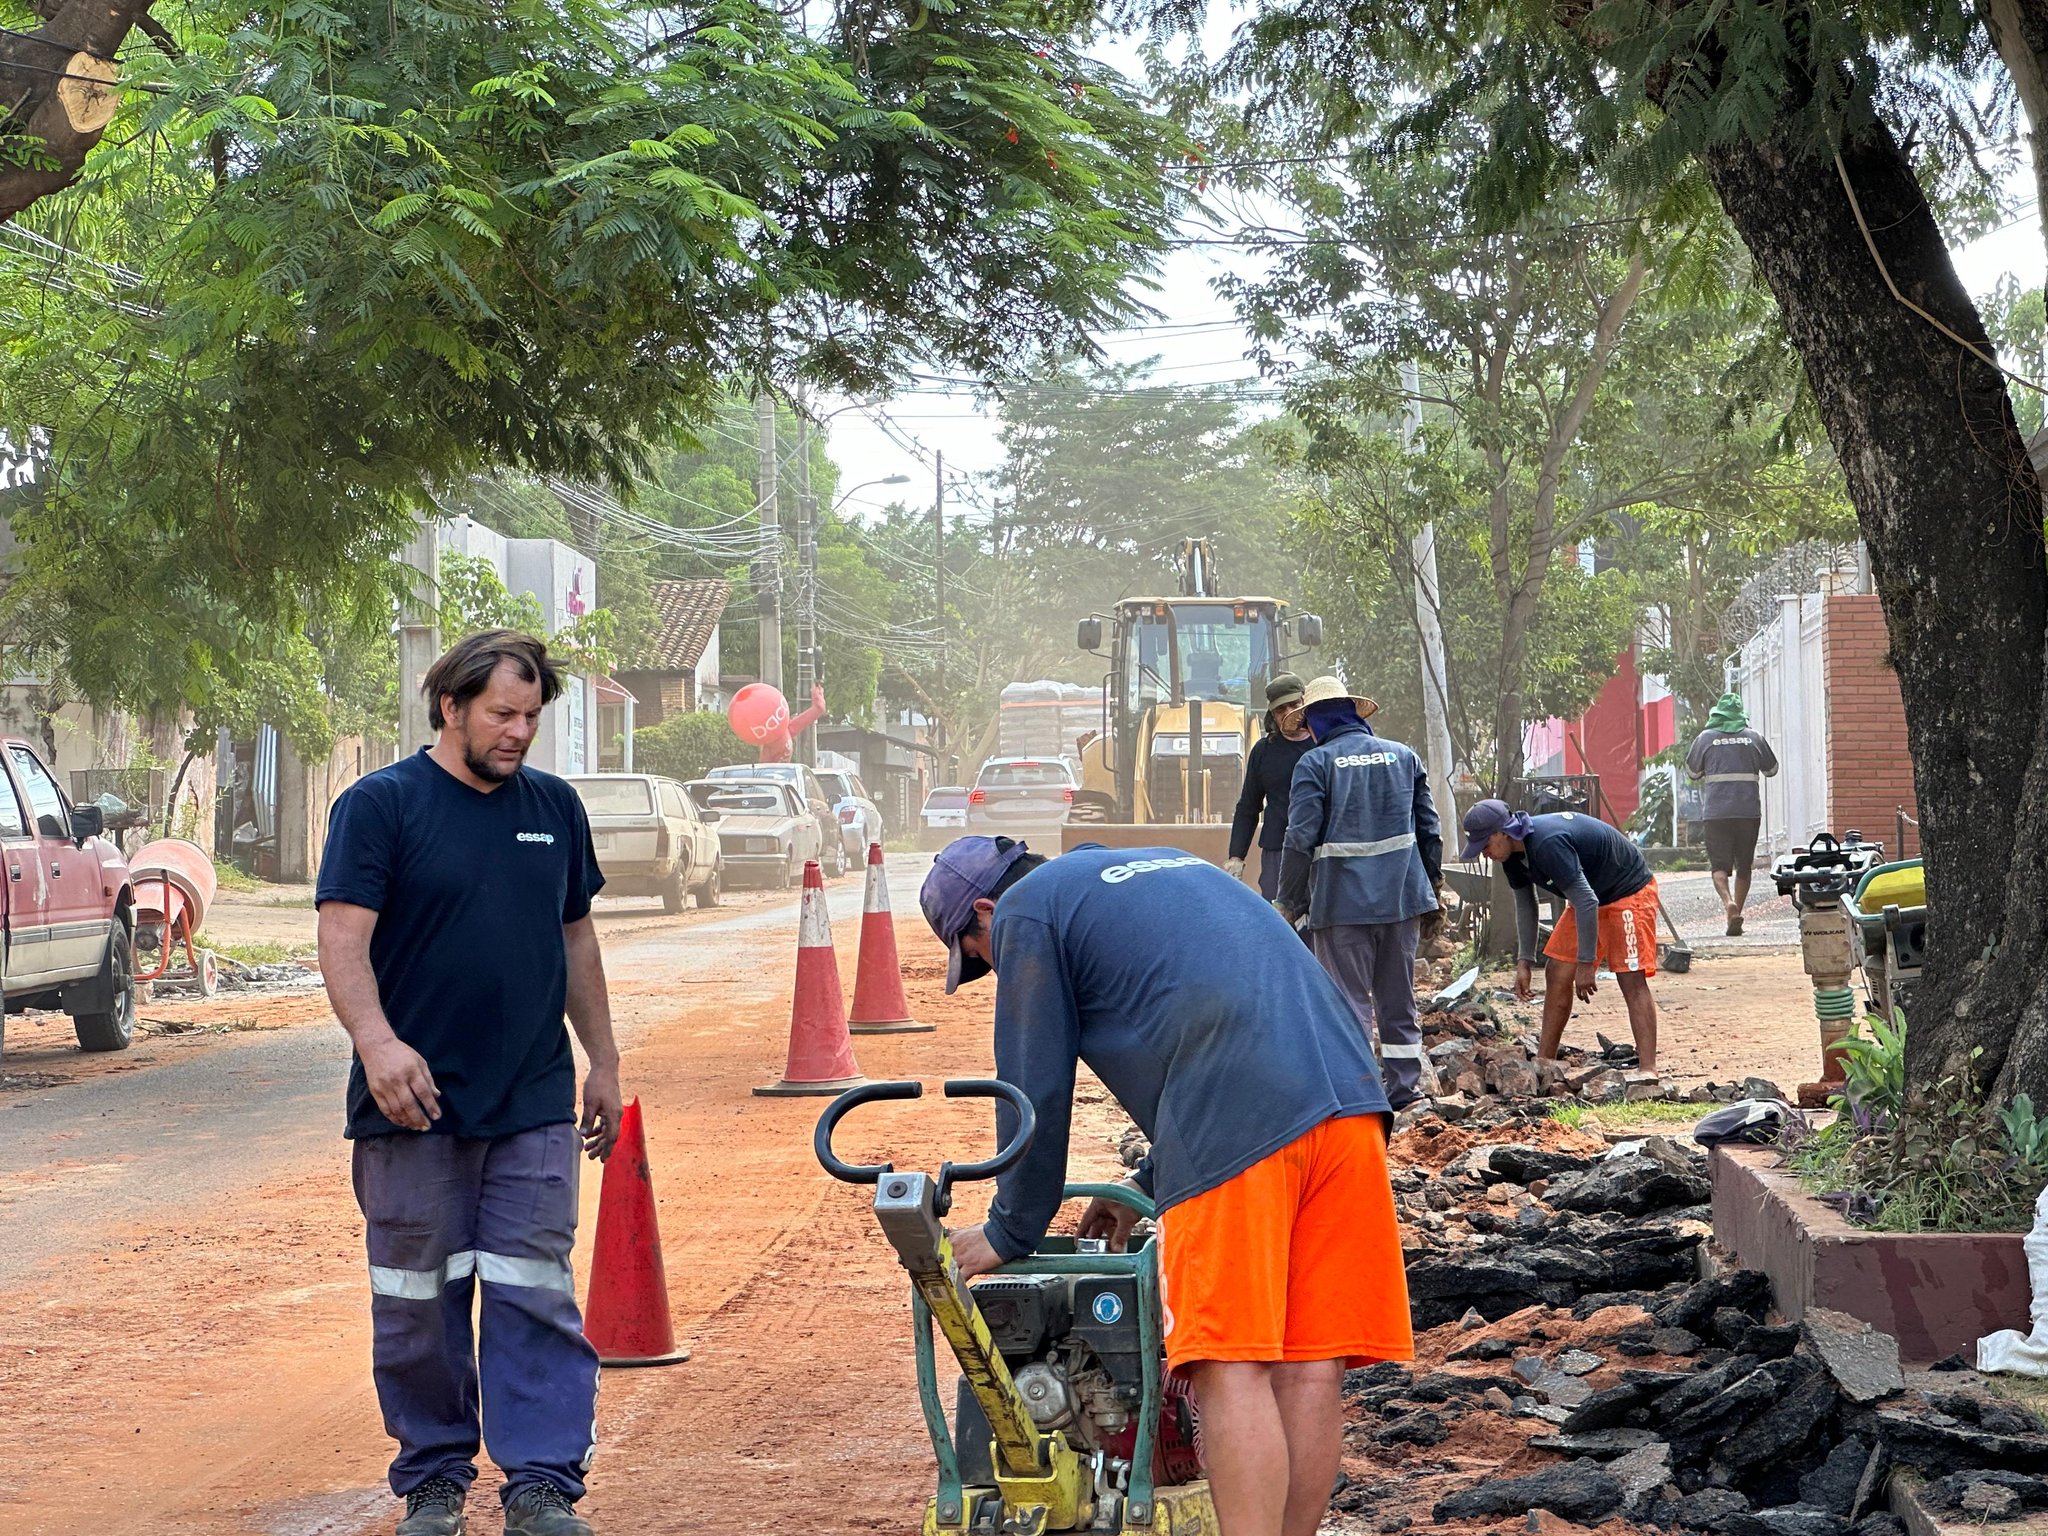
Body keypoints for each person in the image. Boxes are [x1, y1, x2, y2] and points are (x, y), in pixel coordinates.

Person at [923, 836, 1412, 1536]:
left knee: (1229, 1364)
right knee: (1309, 1370)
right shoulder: (1155, 868)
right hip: (1349, 1108)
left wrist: (1010, 1228)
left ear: (984, 909)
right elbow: (1226, 1011)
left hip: (1236, 1123)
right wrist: (1145, 1180)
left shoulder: (1025, 912)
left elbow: (1034, 1082)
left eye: (980, 956)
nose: (994, 967)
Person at [317, 630, 623, 1536]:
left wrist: (601, 1057)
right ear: (450, 706)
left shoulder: (555, 809)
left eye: (531, 716)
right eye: (502, 713)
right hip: (411, 1106)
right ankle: (435, 1479)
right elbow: (343, 939)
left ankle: (540, 1484)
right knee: (417, 1301)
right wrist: (377, 1045)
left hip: (532, 1098)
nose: (519, 732)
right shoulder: (381, 807)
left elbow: (575, 940)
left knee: (537, 1292)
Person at [1272, 676, 1441, 1110]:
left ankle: (1360, 1096)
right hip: (1402, 901)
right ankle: (1407, 1091)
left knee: (1349, 1004)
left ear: (1314, 722)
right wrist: (1433, 886)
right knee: (1398, 1001)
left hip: (1341, 904)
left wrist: (1288, 901)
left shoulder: (1314, 764)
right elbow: (1430, 829)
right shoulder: (1404, 756)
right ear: (1351, 712)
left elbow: (1298, 838)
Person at [1460, 798, 1661, 1072]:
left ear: (1501, 833)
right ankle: (1545, 1063)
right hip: (1590, 898)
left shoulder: (1546, 843)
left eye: (1484, 845)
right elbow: (1526, 904)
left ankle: (1648, 1070)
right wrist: (1524, 962)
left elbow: (1586, 901)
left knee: (1630, 978)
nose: (1484, 854)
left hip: (1628, 891)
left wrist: (1586, 964)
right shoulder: (1511, 856)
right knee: (1556, 970)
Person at [1685, 693, 1779, 936]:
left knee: (1719, 865)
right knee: (1744, 865)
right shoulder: (1754, 737)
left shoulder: (1705, 738)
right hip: (1748, 811)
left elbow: (1693, 773)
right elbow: (1772, 769)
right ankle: (1737, 912)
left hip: (1716, 813)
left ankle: (1728, 902)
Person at [1226, 673, 1315, 900]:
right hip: (1278, 851)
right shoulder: (1264, 751)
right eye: (1280, 709)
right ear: (1272, 715)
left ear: (1305, 704)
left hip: (1320, 850)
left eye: (1294, 705)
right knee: (1279, 920)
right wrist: (1236, 856)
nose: (1287, 713)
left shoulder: (1323, 745)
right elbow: (1248, 806)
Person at [757, 683, 829, 765]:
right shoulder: (786, 731)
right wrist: (818, 693)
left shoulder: (778, 735)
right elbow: (819, 709)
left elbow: (819, 709)